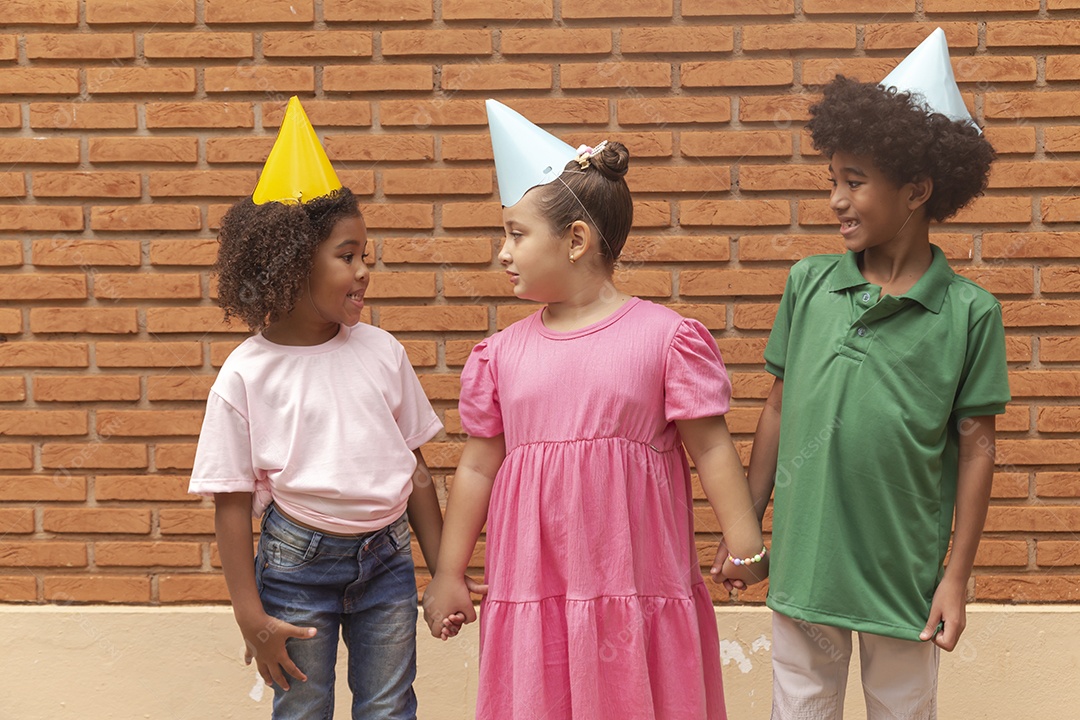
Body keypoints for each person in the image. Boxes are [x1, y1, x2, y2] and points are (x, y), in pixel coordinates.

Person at [423, 100, 767, 719]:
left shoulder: (665, 339)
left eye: (516, 233)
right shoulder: (500, 356)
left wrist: (743, 538)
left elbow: (711, 445)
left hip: (637, 583)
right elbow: (477, 468)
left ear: (576, 239)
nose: (503, 252)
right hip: (535, 587)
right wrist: (449, 572)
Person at [747, 30, 1010, 719]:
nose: (836, 199)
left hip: (906, 578)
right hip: (806, 565)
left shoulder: (969, 312)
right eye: (832, 180)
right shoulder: (808, 284)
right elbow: (778, 408)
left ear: (919, 189)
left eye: (855, 182)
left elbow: (978, 446)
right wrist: (747, 520)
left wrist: (957, 576)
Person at [189, 97, 446, 719]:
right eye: (348, 255)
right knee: (303, 709)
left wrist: (444, 574)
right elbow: (230, 501)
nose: (364, 272)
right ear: (294, 259)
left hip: (386, 561)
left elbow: (415, 472)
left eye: (367, 257)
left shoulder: (382, 352)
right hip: (294, 566)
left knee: (389, 708)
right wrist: (250, 616)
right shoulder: (247, 374)